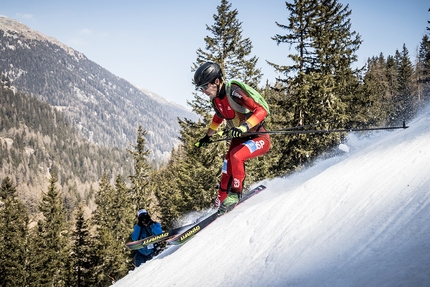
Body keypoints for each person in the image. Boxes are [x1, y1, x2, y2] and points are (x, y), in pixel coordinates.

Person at [194, 61, 271, 214]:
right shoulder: (216, 100)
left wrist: (245, 126)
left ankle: (235, 194)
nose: (203, 91)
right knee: (226, 168)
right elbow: (218, 117)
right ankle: (219, 203)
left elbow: (261, 110)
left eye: (204, 86)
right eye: (200, 88)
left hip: (258, 137)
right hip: (240, 138)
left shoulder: (234, 91)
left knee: (236, 157)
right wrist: (207, 137)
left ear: (216, 81)